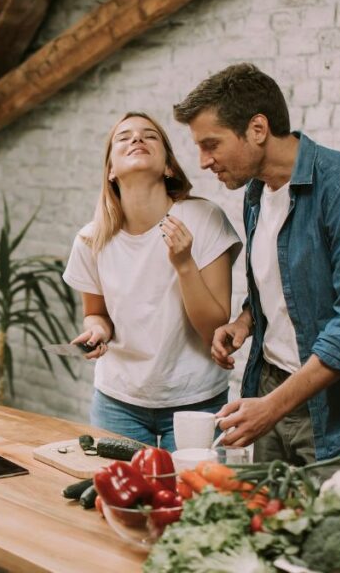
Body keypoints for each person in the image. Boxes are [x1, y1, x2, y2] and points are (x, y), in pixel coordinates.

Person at [172, 63, 340, 478]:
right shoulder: (256, 193)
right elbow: (285, 278)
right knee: (266, 534)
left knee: (334, 541)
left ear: (258, 128)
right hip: (269, 392)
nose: (204, 161)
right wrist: (245, 321)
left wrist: (274, 406)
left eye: (212, 144)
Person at [62, 112, 241, 451]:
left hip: (196, 400)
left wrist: (184, 263)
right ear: (111, 170)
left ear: (169, 167)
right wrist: (97, 331)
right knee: (117, 502)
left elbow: (214, 329)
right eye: (124, 137)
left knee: (193, 500)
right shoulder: (91, 239)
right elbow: (96, 313)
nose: (137, 139)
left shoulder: (204, 220)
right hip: (117, 403)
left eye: (150, 135)